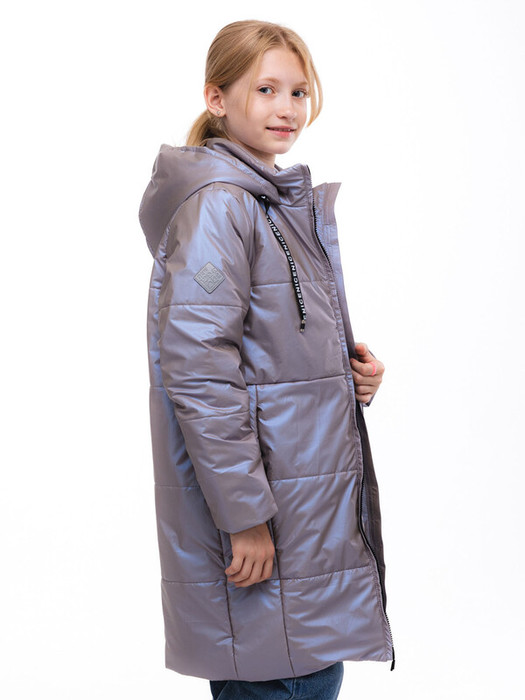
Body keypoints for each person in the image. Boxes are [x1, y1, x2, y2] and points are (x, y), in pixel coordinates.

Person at [139, 19, 394, 700]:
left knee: (307, 669)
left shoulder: (271, 202)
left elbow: (269, 355)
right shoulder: (221, 208)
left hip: (303, 515)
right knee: (279, 678)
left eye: (298, 92)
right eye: (265, 89)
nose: (287, 108)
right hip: (265, 520)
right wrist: (244, 516)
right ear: (216, 98)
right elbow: (198, 367)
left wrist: (349, 375)